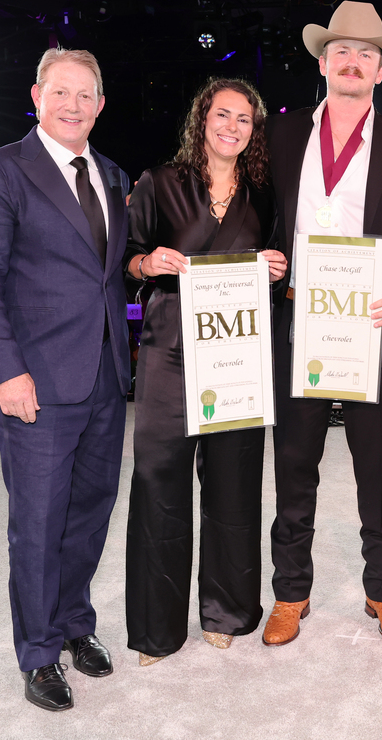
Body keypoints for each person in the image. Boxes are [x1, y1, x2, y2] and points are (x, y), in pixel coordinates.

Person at [262, 1, 382, 646]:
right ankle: (291, 592)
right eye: (341, 50)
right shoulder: (280, 135)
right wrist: (265, 258)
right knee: (294, 466)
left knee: (377, 467)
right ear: (322, 62)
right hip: (299, 323)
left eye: (367, 53)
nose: (353, 61)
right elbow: (259, 215)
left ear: (381, 71)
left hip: (372, 327)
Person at [0, 48, 130, 712]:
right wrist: (6, 371)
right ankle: (37, 654)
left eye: (86, 95)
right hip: (36, 383)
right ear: (37, 96)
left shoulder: (112, 174)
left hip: (106, 378)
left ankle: (74, 623)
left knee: (89, 514)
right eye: (61, 92)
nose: (73, 105)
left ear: (101, 105)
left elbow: (110, 272)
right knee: (37, 522)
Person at [123, 78, 286, 664]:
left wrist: (277, 267)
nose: (232, 127)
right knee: (159, 485)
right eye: (223, 114)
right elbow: (124, 260)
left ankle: (227, 611)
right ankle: (157, 630)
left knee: (233, 483)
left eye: (244, 119)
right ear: (202, 118)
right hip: (169, 350)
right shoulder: (160, 182)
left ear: (254, 130)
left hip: (238, 351)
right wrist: (147, 262)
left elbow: (279, 262)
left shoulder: (264, 192)